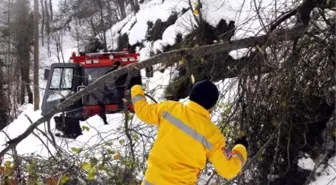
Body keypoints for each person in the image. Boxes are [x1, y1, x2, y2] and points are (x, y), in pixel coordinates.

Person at [130, 80, 248, 185]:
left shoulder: (170, 108)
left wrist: (136, 88)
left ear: (191, 95)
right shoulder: (211, 134)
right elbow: (228, 169)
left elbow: (143, 111)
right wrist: (240, 149)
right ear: (212, 106)